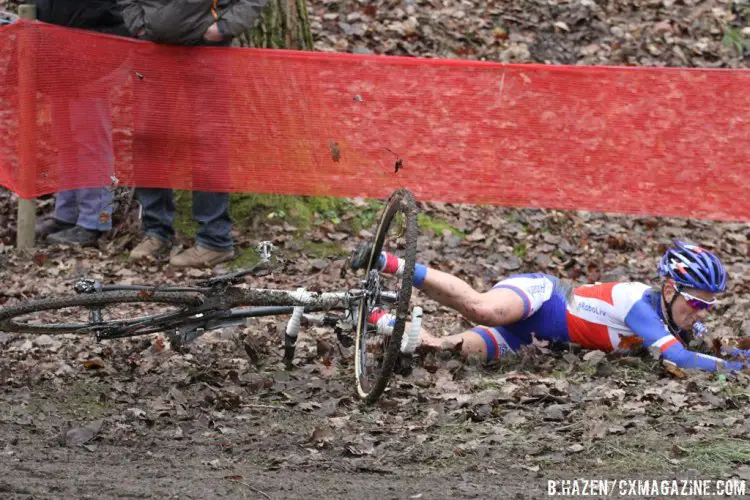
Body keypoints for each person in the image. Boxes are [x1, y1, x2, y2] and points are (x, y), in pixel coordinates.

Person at [352, 240, 750, 373]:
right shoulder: (639, 304)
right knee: (481, 309)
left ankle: (374, 317)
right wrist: (737, 368)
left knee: (437, 352)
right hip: (541, 298)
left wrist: (740, 356)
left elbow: (707, 352)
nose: (700, 312)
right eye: (697, 301)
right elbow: (682, 359)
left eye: (708, 306)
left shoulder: (679, 321)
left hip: (531, 342)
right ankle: (389, 263)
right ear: (668, 288)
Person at [118, 0, 267, 267]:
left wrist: (223, 28)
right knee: (149, 138)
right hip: (152, 47)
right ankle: (156, 233)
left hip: (207, 50)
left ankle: (214, 240)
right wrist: (138, 23)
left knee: (206, 141)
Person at [32, 0, 131, 246]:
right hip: (59, 60)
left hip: (92, 60)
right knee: (66, 141)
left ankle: (95, 220)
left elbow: (107, 14)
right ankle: (67, 214)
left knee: (92, 142)